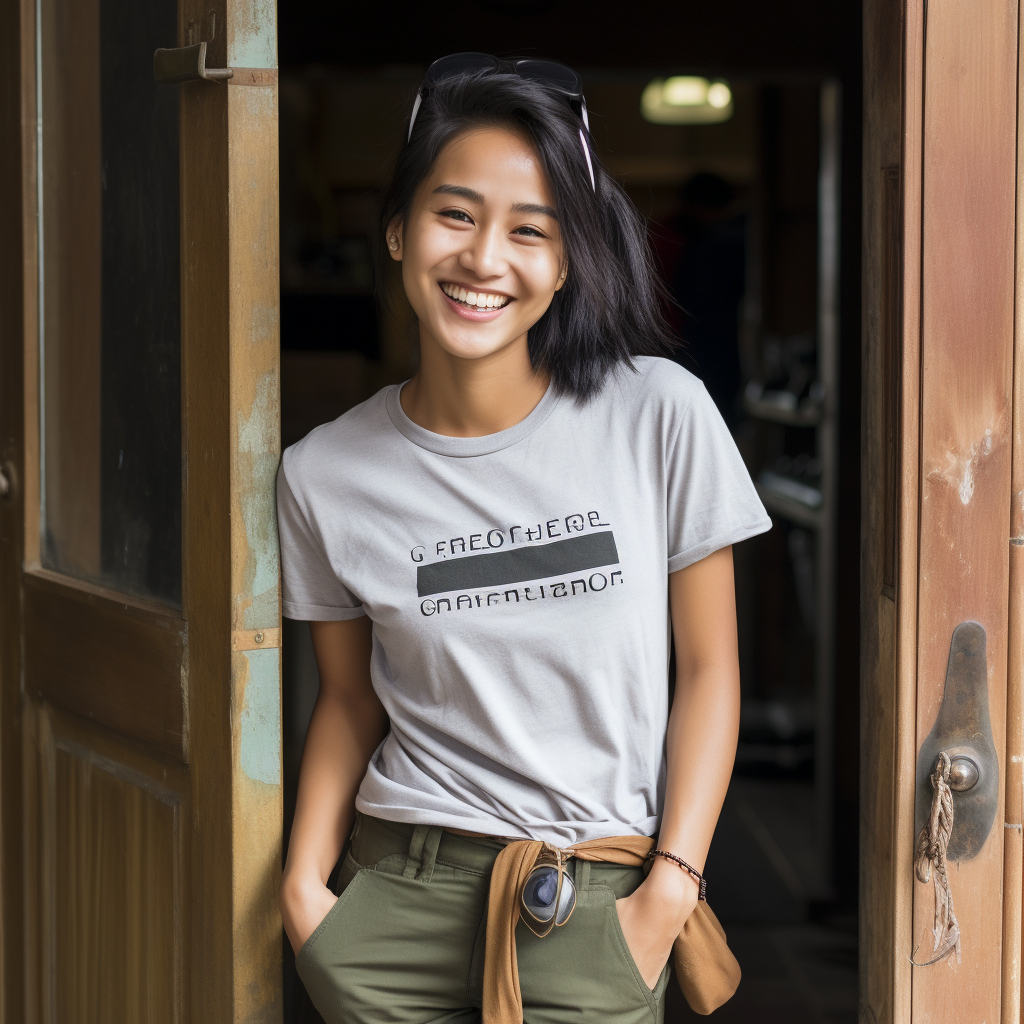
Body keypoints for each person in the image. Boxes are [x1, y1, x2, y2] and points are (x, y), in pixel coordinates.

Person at [276, 53, 772, 1024]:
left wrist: (670, 887)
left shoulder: (658, 415)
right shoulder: (322, 472)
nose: (483, 258)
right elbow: (345, 699)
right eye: (453, 214)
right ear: (396, 229)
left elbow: (710, 669)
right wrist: (305, 891)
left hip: (593, 904)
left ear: (567, 259)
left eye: (529, 230)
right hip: (394, 895)